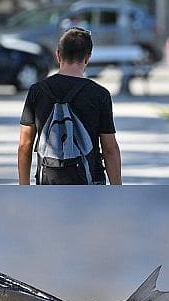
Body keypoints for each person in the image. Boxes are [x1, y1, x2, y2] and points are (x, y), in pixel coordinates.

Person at [17, 27, 121, 185]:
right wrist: (117, 191)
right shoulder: (100, 94)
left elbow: (25, 144)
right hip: (90, 184)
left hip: (49, 183)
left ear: (58, 54)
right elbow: (109, 148)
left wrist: (23, 188)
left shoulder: (36, 91)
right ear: (88, 58)